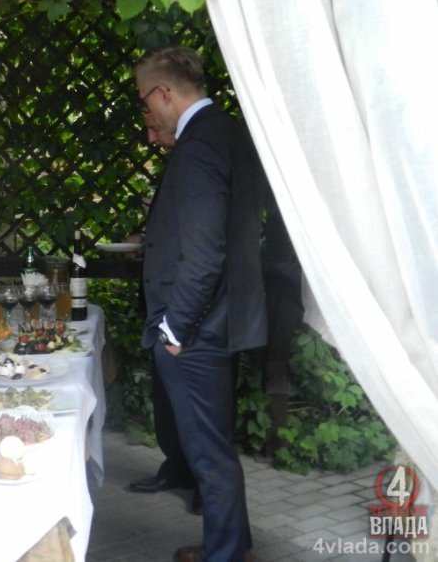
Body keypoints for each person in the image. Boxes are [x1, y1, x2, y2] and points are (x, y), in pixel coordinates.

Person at [135, 46, 266, 562]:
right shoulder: (228, 132)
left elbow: (205, 252)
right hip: (220, 319)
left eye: (144, 99)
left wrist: (174, 330)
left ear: (164, 92)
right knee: (214, 448)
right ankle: (230, 545)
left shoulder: (198, 147)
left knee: (209, 454)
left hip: (198, 329)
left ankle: (226, 554)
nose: (146, 111)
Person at [126, 111, 202, 517]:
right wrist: (146, 238)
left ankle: (205, 483)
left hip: (191, 308)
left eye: (155, 128)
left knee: (199, 407)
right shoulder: (179, 163)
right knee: (165, 397)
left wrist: (180, 324)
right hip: (164, 307)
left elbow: (203, 244)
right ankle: (176, 467)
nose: (151, 138)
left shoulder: (202, 158)